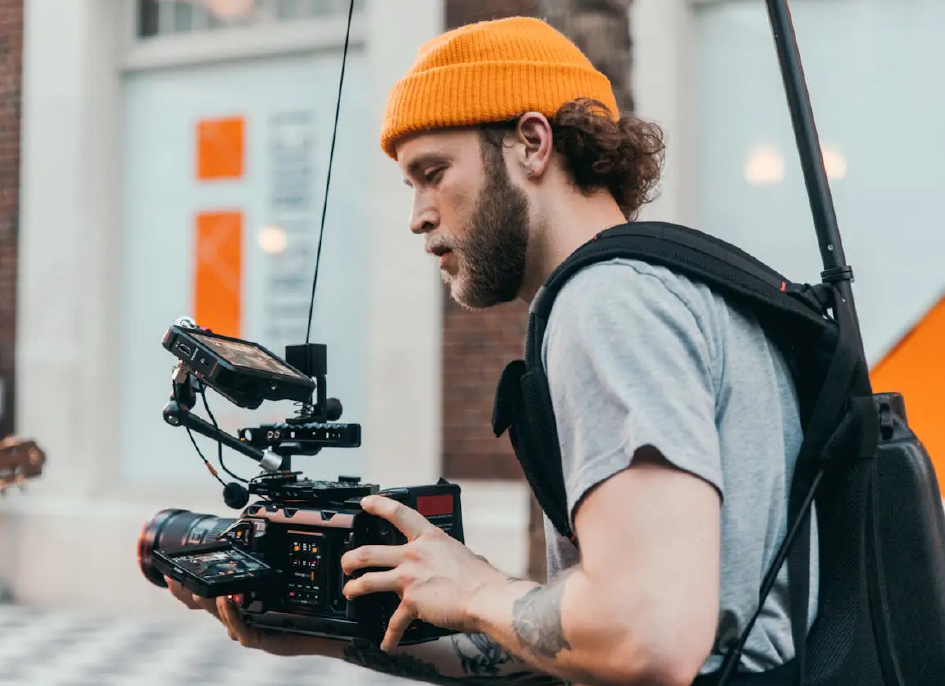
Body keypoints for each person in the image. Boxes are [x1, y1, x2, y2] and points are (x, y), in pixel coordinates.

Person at [165, 15, 817, 686]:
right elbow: (577, 641)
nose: (417, 213)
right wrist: (322, 635)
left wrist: (475, 590)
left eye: (433, 172)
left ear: (532, 143)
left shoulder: (607, 303)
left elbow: (645, 636)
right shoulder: (675, 284)